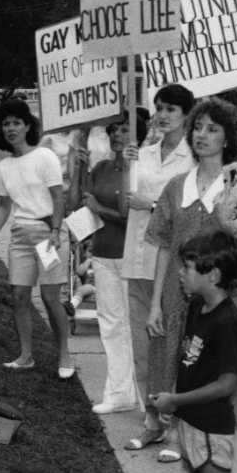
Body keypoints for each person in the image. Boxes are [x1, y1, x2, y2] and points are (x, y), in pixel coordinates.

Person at [146, 98, 237, 473]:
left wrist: (226, 226)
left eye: (213, 128)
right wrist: (155, 305)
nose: (202, 135)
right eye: (198, 126)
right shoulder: (176, 186)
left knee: (218, 402)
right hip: (178, 304)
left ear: (229, 136)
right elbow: (164, 247)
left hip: (222, 311)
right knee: (181, 397)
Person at [151, 230, 237, 473]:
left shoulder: (228, 322)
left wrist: (177, 401)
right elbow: (190, 363)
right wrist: (173, 401)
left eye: (188, 267)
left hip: (212, 429)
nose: (180, 272)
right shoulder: (197, 306)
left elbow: (227, 383)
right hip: (192, 422)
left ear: (214, 274)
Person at [120, 84, 196, 454]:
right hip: (137, 258)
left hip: (173, 265)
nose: (163, 115)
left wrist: (150, 204)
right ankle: (152, 421)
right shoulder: (144, 153)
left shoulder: (194, 158)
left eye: (172, 109)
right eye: (160, 108)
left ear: (187, 114)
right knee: (142, 346)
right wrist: (126, 163)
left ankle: (179, 426)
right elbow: (125, 201)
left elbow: (189, 213)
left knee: (175, 347)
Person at [0, 99, 74, 379]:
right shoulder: (4, 167)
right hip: (20, 236)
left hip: (49, 235)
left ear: (27, 126)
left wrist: (57, 232)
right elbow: (4, 206)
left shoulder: (44, 156)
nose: (11, 128)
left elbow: (59, 198)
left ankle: (65, 356)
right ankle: (26, 356)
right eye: (6, 123)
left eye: (17, 123)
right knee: (19, 297)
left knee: (50, 298)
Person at [67, 116, 148, 415]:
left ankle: (143, 394)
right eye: (114, 129)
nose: (117, 134)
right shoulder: (102, 168)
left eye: (125, 129)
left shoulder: (141, 168)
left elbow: (131, 214)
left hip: (131, 255)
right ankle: (118, 393)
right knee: (111, 326)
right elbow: (76, 204)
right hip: (102, 253)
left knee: (134, 327)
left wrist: (100, 208)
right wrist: (79, 168)